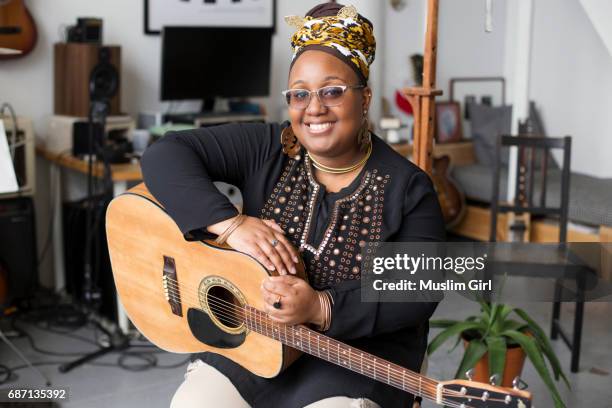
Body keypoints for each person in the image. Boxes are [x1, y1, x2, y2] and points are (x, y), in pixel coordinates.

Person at [141, 3, 445, 408]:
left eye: (332, 91)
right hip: (257, 338)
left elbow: (424, 287)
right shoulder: (269, 147)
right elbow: (165, 154)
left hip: (355, 358)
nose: (313, 107)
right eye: (299, 93)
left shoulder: (409, 186)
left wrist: (321, 306)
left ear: (365, 97)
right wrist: (230, 225)